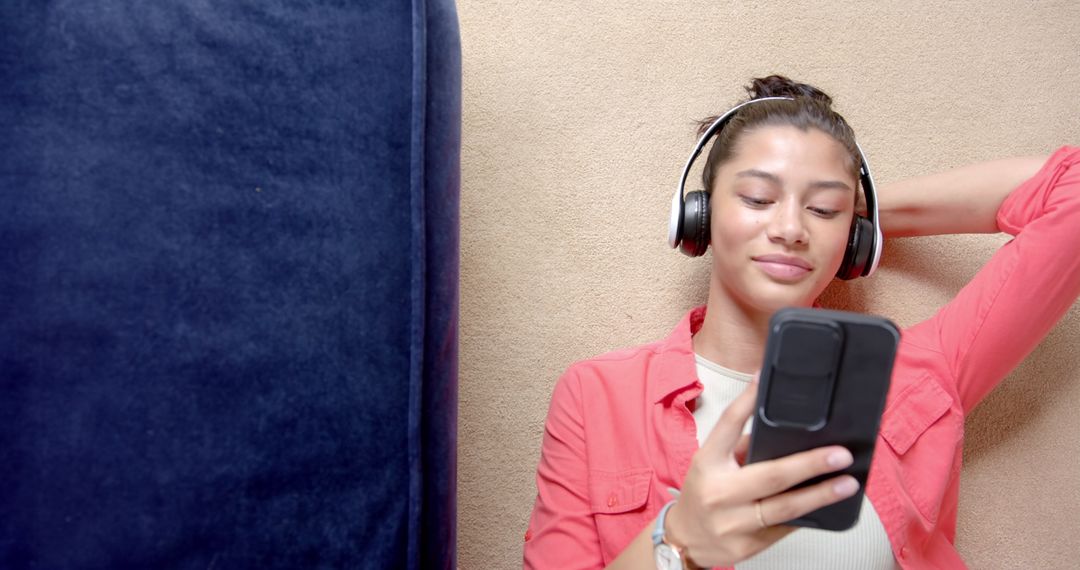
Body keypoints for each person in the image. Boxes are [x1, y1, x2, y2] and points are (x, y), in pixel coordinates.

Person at [522, 75, 1080, 569]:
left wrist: (871, 210)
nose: (791, 228)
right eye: (759, 198)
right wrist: (678, 543)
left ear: (854, 238)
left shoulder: (920, 373)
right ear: (700, 215)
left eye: (822, 210)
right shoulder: (597, 395)